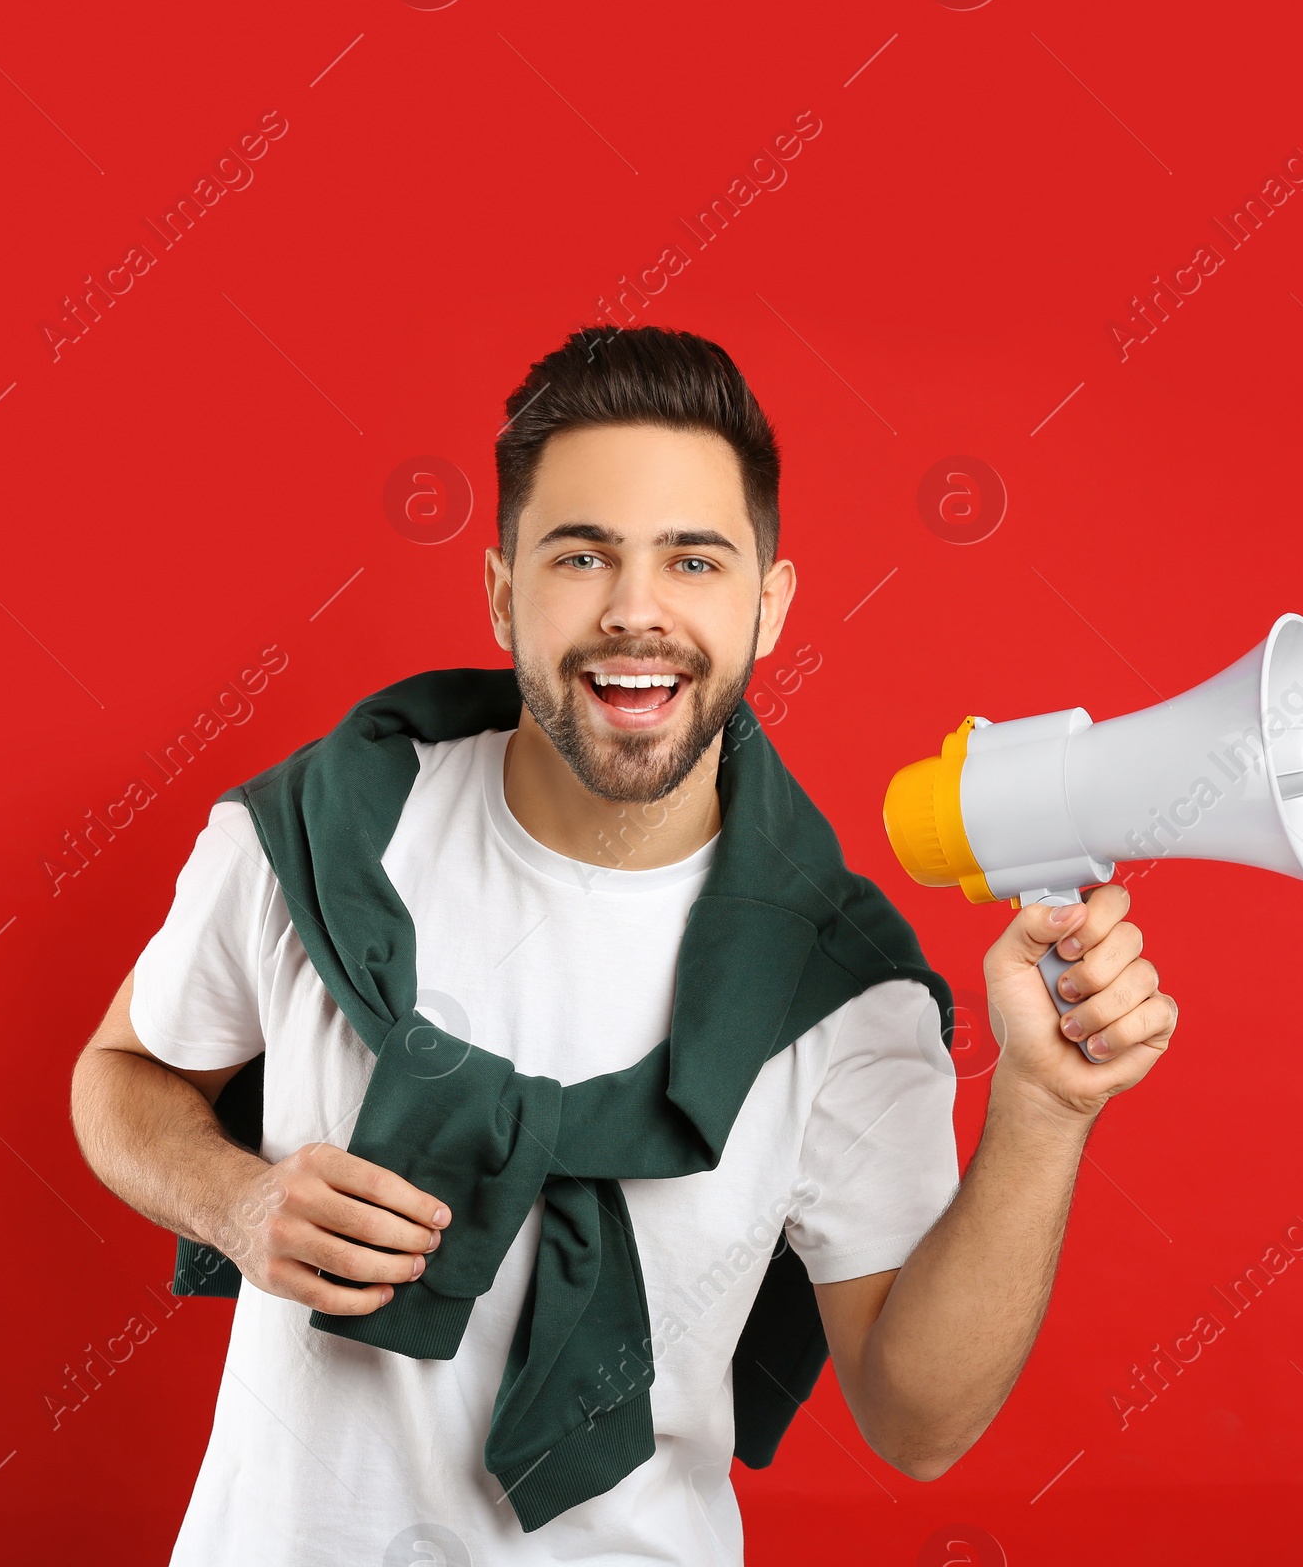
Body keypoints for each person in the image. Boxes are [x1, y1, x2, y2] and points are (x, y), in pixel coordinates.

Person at [69, 325, 1178, 1565]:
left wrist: (1042, 1106)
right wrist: (238, 1199)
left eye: (693, 560)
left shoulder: (840, 995)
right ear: (500, 588)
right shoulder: (317, 835)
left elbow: (917, 1421)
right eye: (582, 554)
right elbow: (120, 1074)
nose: (636, 611)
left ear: (771, 599)